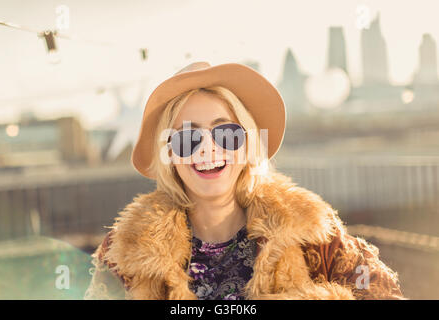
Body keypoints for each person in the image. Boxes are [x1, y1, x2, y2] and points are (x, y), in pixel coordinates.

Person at [84, 61, 404, 300]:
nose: (208, 148)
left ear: (248, 142)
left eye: (226, 133)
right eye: (186, 138)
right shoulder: (124, 250)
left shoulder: (313, 232)